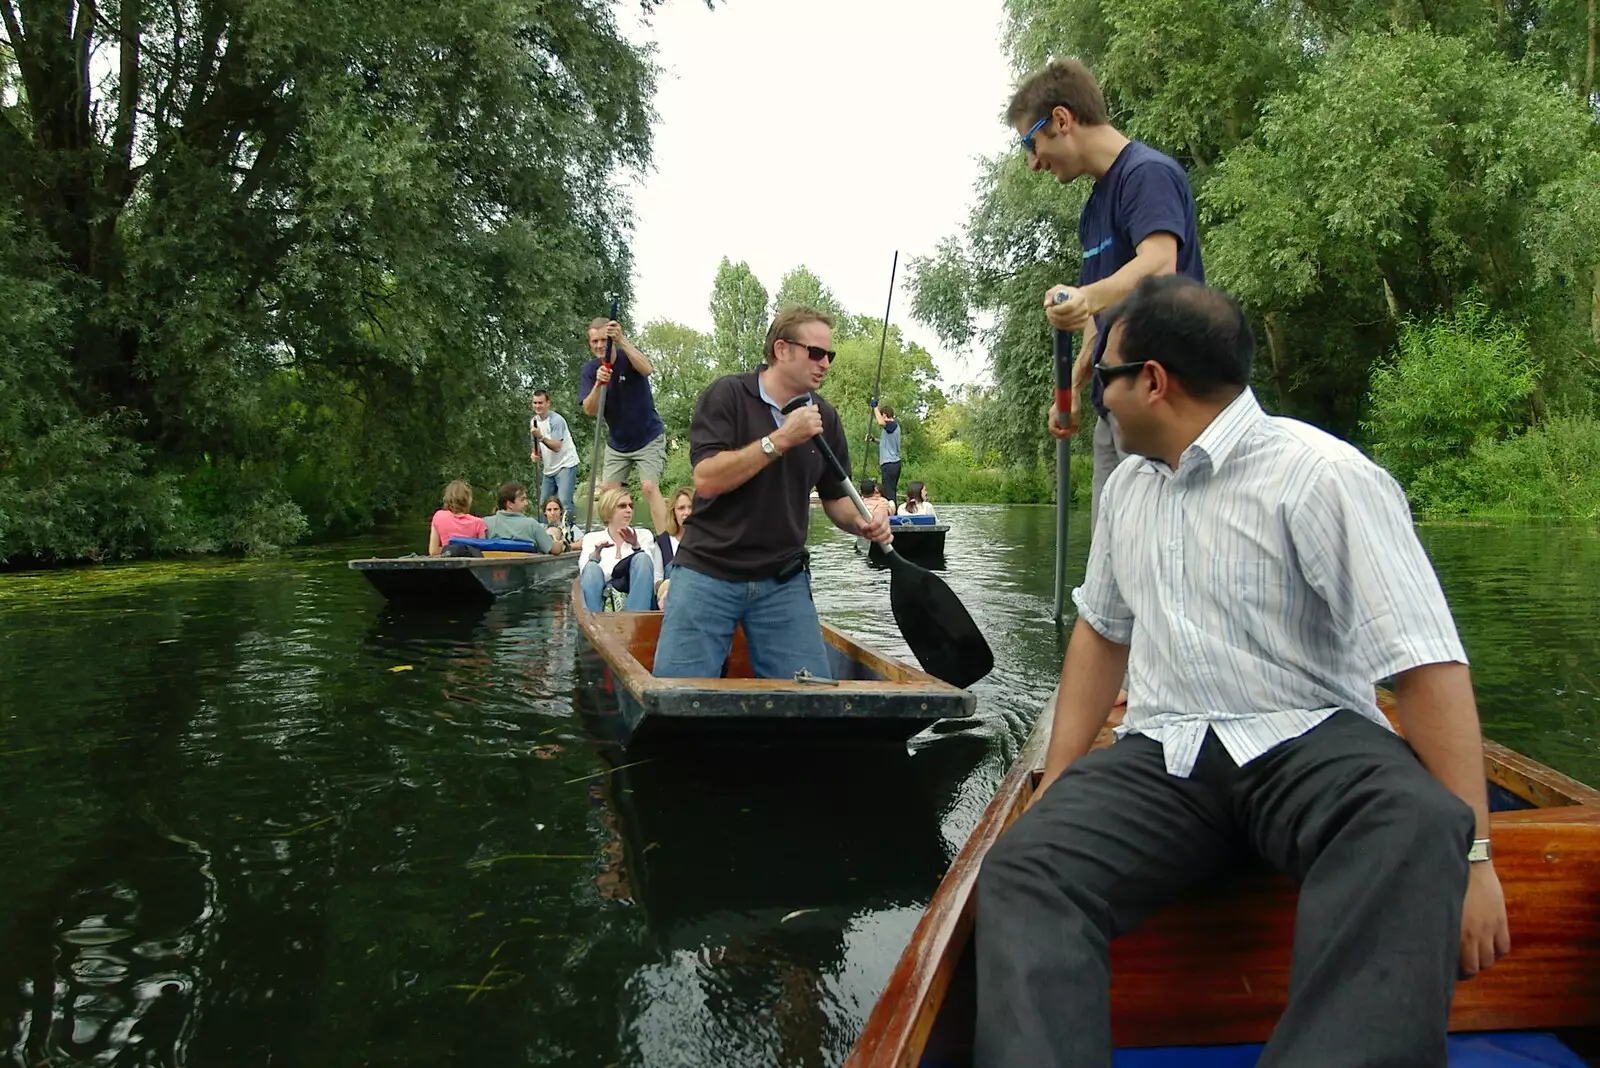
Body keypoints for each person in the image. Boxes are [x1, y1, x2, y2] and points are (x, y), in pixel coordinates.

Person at [974, 276, 1509, 1067]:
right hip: (1166, 754)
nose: (1099, 402)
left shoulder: (1323, 475)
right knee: (1025, 866)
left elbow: (1425, 664)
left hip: (1311, 741)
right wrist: (1056, 780)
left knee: (1414, 820)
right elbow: (1101, 636)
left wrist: (1475, 854)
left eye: (1104, 383)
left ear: (1152, 382)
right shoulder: (1128, 489)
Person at [1009, 58, 1205, 529]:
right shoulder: (1095, 207)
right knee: (1110, 562)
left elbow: (1159, 263)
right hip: (1115, 407)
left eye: (1029, 144)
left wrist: (1084, 297)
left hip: (1161, 402)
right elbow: (1103, 317)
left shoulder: (1147, 174)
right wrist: (1073, 387)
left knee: (1162, 556)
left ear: (1061, 120)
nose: (1033, 163)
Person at [651, 306, 892, 680]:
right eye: (816, 353)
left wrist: (863, 522)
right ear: (782, 349)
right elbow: (706, 479)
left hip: (783, 581)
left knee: (812, 705)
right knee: (676, 697)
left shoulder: (825, 417)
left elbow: (835, 498)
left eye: (831, 355)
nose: (825, 363)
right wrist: (780, 439)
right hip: (707, 574)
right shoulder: (727, 394)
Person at [579, 317, 669, 533]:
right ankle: (615, 542)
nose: (600, 346)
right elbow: (589, 410)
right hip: (618, 444)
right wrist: (599, 385)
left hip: (648, 437)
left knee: (648, 487)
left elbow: (647, 369)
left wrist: (622, 341)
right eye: (594, 342)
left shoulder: (628, 358)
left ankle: (668, 545)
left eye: (604, 340)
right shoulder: (590, 370)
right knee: (608, 492)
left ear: (611, 339)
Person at [576, 487, 662, 612]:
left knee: (642, 558)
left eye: (630, 506)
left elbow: (648, 571)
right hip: (602, 599)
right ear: (608, 510)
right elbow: (585, 573)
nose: (629, 510)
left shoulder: (644, 535)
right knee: (591, 567)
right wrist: (596, 554)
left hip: (635, 597)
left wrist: (635, 545)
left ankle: (634, 620)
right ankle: (596, 623)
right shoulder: (592, 538)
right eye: (622, 506)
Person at [529, 389, 579, 524]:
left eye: (540, 403)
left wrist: (540, 436)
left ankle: (569, 533)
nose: (537, 406)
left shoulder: (556, 420)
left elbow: (557, 446)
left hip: (565, 464)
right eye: (535, 403)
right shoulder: (534, 421)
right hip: (549, 468)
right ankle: (545, 534)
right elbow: (535, 444)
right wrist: (534, 454)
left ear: (548, 403)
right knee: (543, 503)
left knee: (563, 501)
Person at [482, 481, 563, 552]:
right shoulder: (532, 525)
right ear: (509, 504)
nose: (526, 503)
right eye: (522, 500)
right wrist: (561, 543)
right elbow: (555, 550)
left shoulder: (485, 523)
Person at [654, 486, 694, 608]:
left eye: (690, 507)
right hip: (669, 602)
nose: (686, 512)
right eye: (681, 508)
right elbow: (657, 582)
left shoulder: (708, 539)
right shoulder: (662, 541)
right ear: (674, 513)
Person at [428, 480, 487, 555]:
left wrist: (450, 551)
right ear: (468, 500)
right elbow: (482, 553)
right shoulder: (479, 522)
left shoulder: (439, 516)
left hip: (448, 562)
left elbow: (433, 551)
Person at [866, 403, 903, 505]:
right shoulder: (890, 429)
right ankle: (892, 512)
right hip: (891, 463)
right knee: (889, 491)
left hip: (890, 463)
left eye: (882, 416)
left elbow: (881, 422)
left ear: (885, 415)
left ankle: (892, 515)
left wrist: (875, 408)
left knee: (889, 492)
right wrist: (873, 440)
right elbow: (884, 442)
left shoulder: (892, 424)